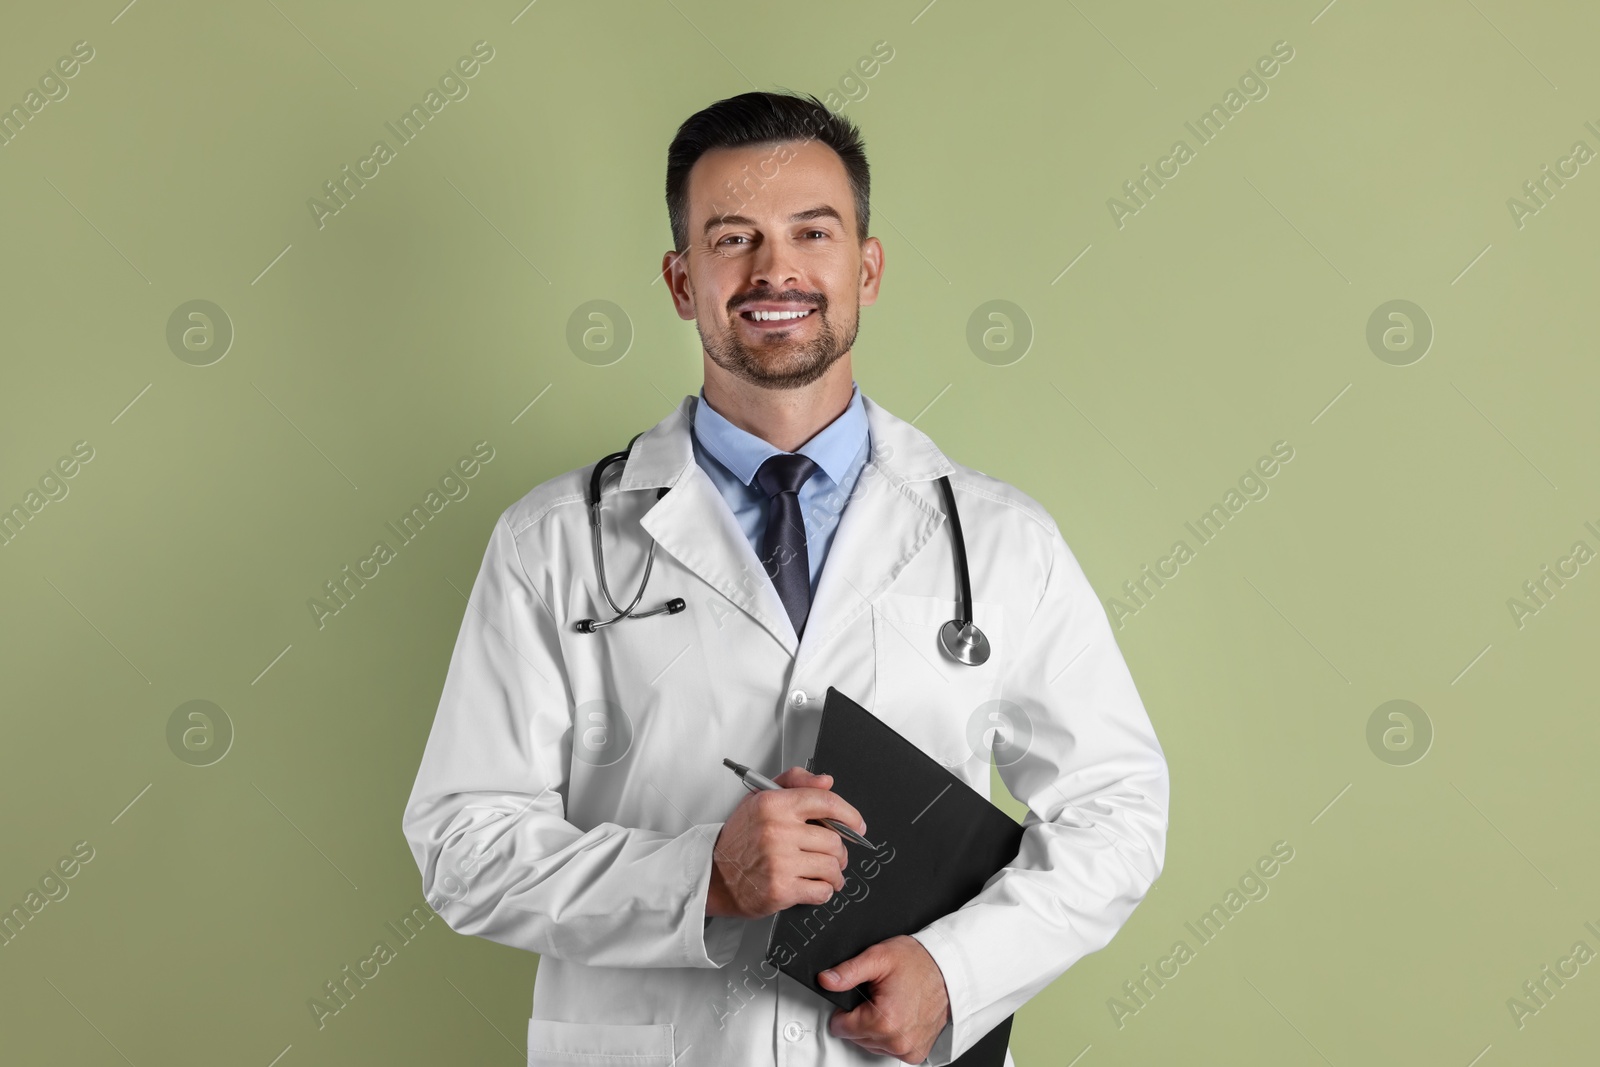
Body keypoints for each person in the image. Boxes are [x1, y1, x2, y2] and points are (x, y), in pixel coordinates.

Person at [402, 90, 1169, 1066]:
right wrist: (702, 878)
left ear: (866, 266)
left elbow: (1119, 803)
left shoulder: (998, 538)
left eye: (813, 231)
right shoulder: (553, 540)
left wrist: (956, 971)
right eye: (733, 238)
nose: (775, 270)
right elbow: (460, 844)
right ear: (682, 280)